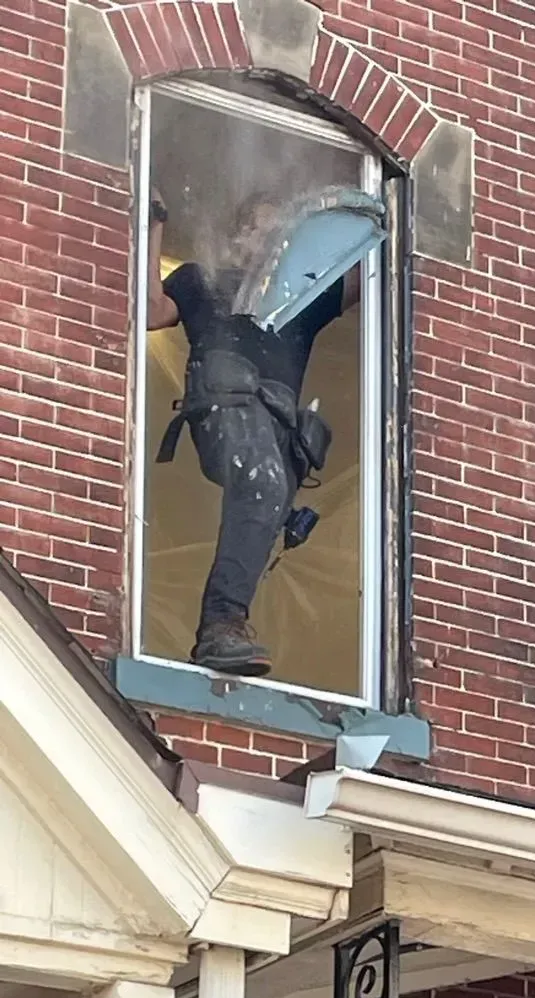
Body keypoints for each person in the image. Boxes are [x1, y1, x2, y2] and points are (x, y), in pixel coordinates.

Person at [145, 189, 359, 677]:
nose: (271, 241)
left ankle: (227, 623)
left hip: (277, 428)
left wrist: (371, 215)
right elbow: (153, 310)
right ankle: (220, 628)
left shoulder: (301, 296)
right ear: (240, 235)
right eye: (263, 228)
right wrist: (153, 220)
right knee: (262, 483)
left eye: (280, 234)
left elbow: (362, 275)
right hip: (226, 404)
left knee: (268, 497)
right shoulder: (203, 280)